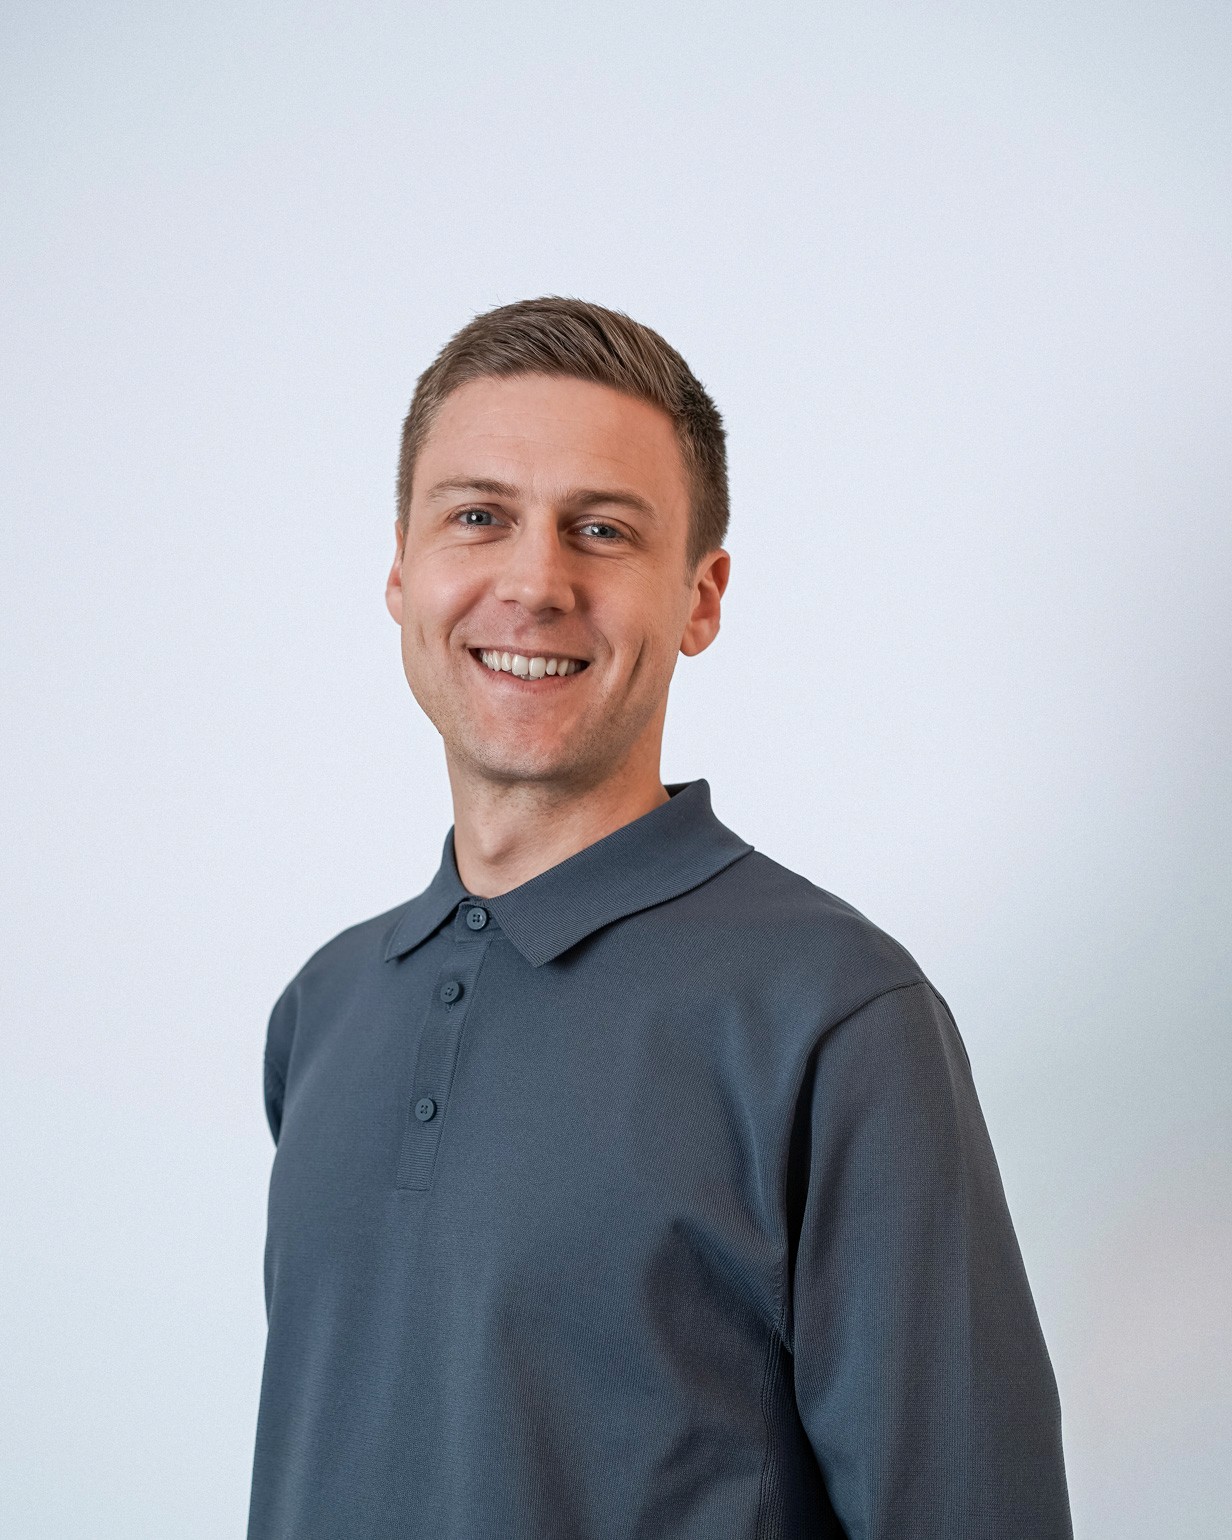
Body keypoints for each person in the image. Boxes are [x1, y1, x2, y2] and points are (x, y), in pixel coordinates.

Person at [246, 296, 1073, 1539]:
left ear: (700, 596)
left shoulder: (837, 1018)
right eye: (479, 516)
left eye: (602, 529)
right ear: (402, 572)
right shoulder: (324, 1007)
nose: (533, 582)